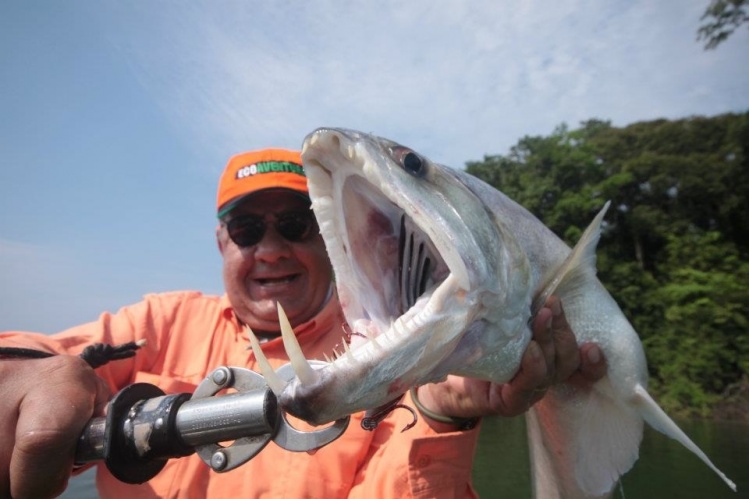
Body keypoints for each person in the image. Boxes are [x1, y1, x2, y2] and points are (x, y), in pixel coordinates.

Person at [0, 148, 606, 498]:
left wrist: (443, 414)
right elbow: (40, 353)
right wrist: (25, 375)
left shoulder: (402, 350)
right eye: (246, 230)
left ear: (334, 238)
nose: (269, 249)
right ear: (221, 242)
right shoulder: (162, 320)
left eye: (295, 227)